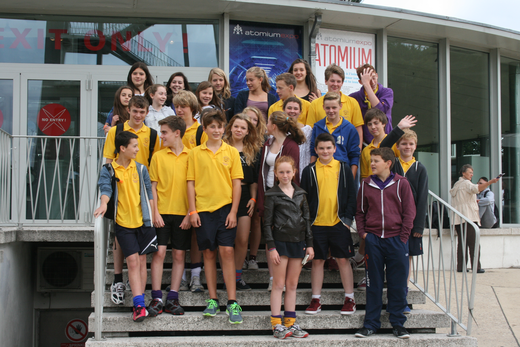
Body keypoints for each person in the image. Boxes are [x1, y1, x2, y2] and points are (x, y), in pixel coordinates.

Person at [187, 109, 244, 324]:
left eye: (220, 126)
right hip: (202, 210)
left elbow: (237, 184)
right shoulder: (194, 153)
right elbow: (190, 183)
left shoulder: (231, 152)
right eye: (212, 126)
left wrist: (233, 211)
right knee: (209, 254)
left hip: (225, 209)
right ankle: (213, 299)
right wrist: (192, 211)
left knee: (227, 252)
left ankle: (232, 302)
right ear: (205, 128)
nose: (217, 130)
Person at [103, 96, 161, 306]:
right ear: (128, 110)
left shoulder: (153, 135)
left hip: (142, 188)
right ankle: (118, 278)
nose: (138, 115)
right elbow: (109, 160)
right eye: (135, 111)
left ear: (147, 113)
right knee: (120, 234)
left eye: (142, 112)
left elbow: (154, 163)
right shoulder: (116, 131)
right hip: (121, 185)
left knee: (141, 247)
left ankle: (135, 287)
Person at [94, 131, 158, 322]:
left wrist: (154, 215)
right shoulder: (109, 169)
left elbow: (149, 193)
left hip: (144, 223)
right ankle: (138, 306)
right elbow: (105, 189)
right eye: (134, 146)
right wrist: (104, 203)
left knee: (141, 263)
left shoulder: (141, 169)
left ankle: (141, 301)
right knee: (132, 261)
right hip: (123, 223)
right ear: (123, 148)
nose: (138, 150)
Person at [355, 147, 416, 339]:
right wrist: (364, 234)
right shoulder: (365, 184)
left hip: (397, 240)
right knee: (373, 283)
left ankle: (398, 324)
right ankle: (371, 324)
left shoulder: (402, 184)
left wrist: (403, 237)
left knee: (397, 284)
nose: (372, 164)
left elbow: (409, 212)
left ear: (388, 163)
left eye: (376, 161)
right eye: (371, 160)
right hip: (373, 241)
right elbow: (360, 212)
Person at [301, 132, 357, 316]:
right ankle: (316, 299)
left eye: (328, 148)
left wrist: (347, 220)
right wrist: (306, 223)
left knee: (342, 260)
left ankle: (349, 298)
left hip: (338, 223)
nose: (325, 151)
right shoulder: (309, 171)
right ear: (316, 150)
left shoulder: (343, 168)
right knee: (317, 261)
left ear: (334, 148)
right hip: (316, 224)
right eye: (321, 148)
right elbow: (304, 199)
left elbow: (351, 196)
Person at [264, 156, 314, 339]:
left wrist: (309, 245)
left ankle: (290, 324)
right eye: (281, 172)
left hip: (299, 243)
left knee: (292, 284)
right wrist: (271, 247)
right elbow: (266, 223)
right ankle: (276, 325)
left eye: (288, 172)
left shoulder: (301, 193)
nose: (285, 175)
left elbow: (307, 220)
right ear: (276, 174)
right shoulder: (271, 195)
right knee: (278, 284)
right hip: (280, 244)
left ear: (294, 172)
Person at [147, 116, 191, 317]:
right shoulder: (158, 156)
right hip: (162, 213)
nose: (161, 136)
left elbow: (195, 188)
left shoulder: (192, 155)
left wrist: (190, 214)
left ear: (177, 133)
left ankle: (173, 298)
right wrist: (155, 212)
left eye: (164, 132)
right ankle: (156, 297)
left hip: (183, 213)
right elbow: (153, 187)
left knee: (179, 255)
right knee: (160, 253)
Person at [172, 90, 207, 291]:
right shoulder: (172, 127)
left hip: (196, 186)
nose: (179, 109)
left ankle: (195, 275)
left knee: (195, 233)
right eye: (177, 106)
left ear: (192, 108)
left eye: (183, 106)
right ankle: (181, 276)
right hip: (175, 188)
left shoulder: (200, 130)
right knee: (179, 234)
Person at [392, 129, 429, 313]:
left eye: (411, 144)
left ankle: (403, 297)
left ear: (415, 146)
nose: (407, 147)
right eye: (404, 143)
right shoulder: (392, 165)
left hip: (411, 224)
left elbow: (422, 198)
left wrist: (418, 226)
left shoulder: (419, 168)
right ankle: (391, 294)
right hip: (392, 221)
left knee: (406, 260)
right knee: (392, 259)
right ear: (397, 146)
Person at [223, 114, 261, 290]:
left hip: (245, 194)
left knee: (242, 238)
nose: (239, 130)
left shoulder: (251, 150)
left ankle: (237, 277)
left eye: (243, 128)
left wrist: (253, 198)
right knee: (224, 240)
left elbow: (254, 180)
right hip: (224, 194)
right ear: (230, 127)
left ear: (247, 131)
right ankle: (226, 277)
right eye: (236, 126)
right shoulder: (221, 148)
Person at [450, 165, 499, 273]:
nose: (472, 175)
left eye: (472, 172)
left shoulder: (457, 184)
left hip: (458, 218)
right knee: (474, 243)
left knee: (462, 243)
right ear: (463, 173)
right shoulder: (467, 183)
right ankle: (476, 267)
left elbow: (463, 199)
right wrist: (491, 182)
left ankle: (461, 266)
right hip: (468, 217)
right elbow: (476, 189)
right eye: (470, 172)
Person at [306, 64, 364, 148]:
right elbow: (310, 132)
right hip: (323, 153)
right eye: (332, 81)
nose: (335, 84)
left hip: (346, 154)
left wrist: (357, 152)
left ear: (342, 83)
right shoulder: (315, 104)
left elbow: (358, 130)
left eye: (338, 81)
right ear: (326, 81)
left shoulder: (352, 102)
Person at [309, 92, 360, 178]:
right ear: (323, 107)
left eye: (334, 107)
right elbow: (313, 151)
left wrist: (351, 178)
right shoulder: (318, 127)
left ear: (340, 106)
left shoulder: (350, 128)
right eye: (328, 108)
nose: (331, 111)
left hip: (342, 173)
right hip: (321, 172)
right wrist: (311, 174)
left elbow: (354, 155)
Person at [242, 106, 267, 270]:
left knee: (256, 219)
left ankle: (252, 256)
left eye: (255, 119)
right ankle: (241, 256)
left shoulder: (263, 142)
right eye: (248, 118)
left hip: (258, 183)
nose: (251, 122)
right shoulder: (236, 140)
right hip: (240, 186)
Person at [349, 64, 394, 144]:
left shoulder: (387, 92)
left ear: (377, 75)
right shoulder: (354, 98)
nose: (372, 82)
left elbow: (380, 111)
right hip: (366, 143)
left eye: (373, 78)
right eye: (368, 80)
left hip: (386, 140)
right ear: (360, 82)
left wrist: (367, 85)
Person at [283, 97, 312, 179]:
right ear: (284, 110)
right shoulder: (279, 129)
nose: (292, 111)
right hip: (284, 175)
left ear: (300, 112)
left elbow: (308, 153)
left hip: (302, 173)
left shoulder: (307, 130)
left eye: (295, 109)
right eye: (289, 108)